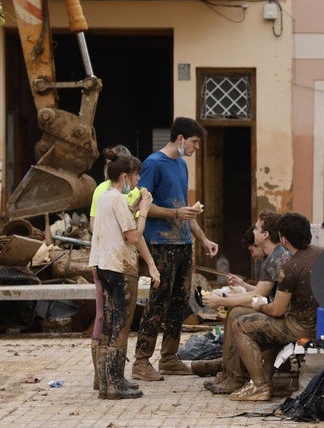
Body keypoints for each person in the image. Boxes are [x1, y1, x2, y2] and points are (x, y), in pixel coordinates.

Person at [131, 117, 219, 381]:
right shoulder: (153, 164)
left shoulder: (181, 165)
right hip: (160, 243)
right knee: (157, 301)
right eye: (194, 142)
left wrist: (203, 238)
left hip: (183, 243)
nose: (196, 148)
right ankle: (141, 361)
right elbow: (141, 204)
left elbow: (185, 208)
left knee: (180, 303)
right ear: (180, 139)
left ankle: (169, 358)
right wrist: (175, 213)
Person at [225, 212, 324, 401]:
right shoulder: (322, 253)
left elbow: (277, 310)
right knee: (267, 327)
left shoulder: (290, 267)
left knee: (240, 324)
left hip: (302, 326)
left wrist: (260, 306)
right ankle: (266, 378)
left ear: (284, 240)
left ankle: (260, 386)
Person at [88, 145, 160, 393]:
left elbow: (122, 220)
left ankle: (107, 382)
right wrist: (145, 211)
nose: (138, 179)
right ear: (124, 176)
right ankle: (116, 382)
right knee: (120, 323)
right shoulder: (117, 198)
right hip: (116, 267)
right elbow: (133, 236)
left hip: (102, 264)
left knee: (108, 322)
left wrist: (137, 206)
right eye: (135, 175)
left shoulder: (106, 196)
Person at [194, 211, 290, 392]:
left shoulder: (275, 258)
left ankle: (236, 377)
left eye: (257, 227)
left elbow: (257, 297)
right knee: (235, 311)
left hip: (283, 315)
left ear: (265, 234)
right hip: (281, 310)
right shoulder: (275, 255)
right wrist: (226, 298)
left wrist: (221, 300)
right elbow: (260, 293)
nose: (253, 230)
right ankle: (230, 372)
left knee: (237, 314)